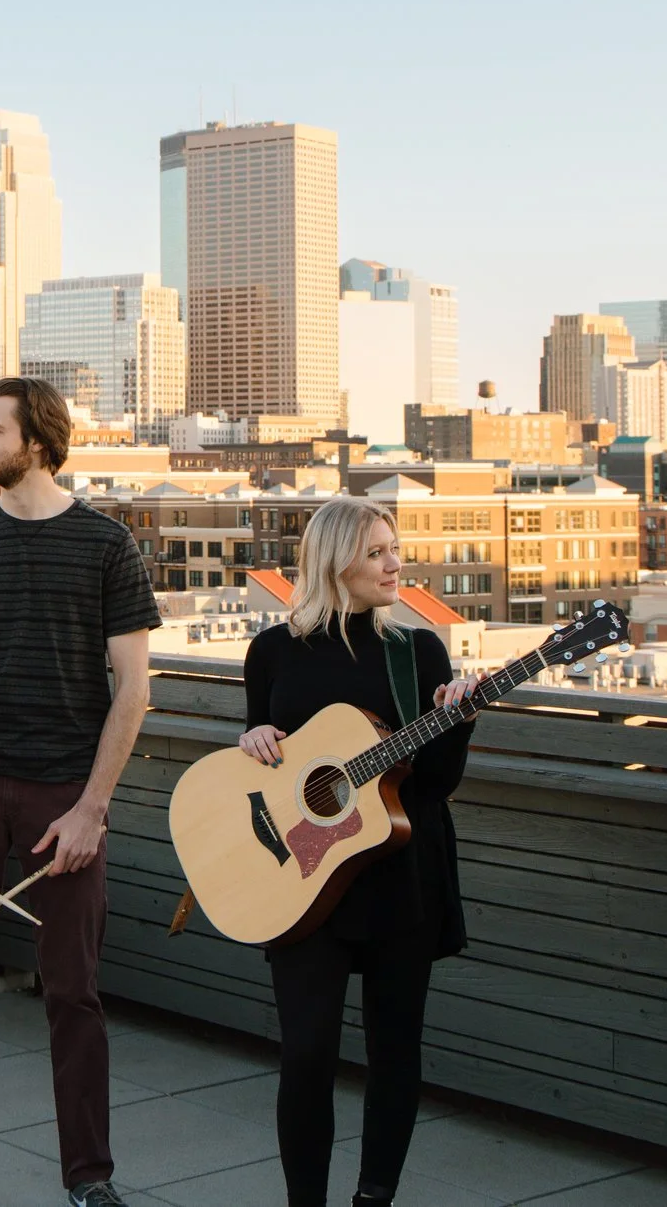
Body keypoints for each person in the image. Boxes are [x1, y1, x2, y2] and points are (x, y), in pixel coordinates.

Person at [0, 376, 161, 1207]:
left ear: (37, 441)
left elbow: (134, 690)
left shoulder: (107, 545)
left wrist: (92, 807)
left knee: (74, 992)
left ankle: (91, 1177)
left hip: (63, 794)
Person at [235, 496, 478, 1207]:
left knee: (394, 1050)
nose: (395, 563)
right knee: (306, 1052)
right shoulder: (272, 650)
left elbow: (432, 783)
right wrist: (253, 743)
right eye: (376, 551)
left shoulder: (419, 650)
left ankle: (374, 1197)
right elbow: (266, 762)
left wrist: (456, 724)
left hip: (400, 873)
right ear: (333, 559)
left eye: (394, 547)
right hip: (303, 879)